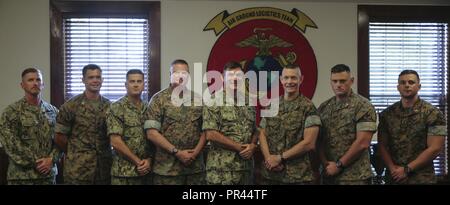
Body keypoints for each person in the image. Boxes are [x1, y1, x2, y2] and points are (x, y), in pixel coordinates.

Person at [378, 70, 446, 184]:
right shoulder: (387, 114)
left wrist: (407, 169)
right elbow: (382, 145)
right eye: (403, 83)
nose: (407, 85)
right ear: (398, 87)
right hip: (394, 177)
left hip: (421, 177)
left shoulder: (433, 113)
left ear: (419, 86)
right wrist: (392, 169)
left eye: (411, 82)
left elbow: (435, 148)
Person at [145, 59, 206, 185]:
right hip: (167, 171)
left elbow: (207, 130)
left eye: (184, 73)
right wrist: (177, 152)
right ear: (170, 75)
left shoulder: (198, 99)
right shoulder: (158, 100)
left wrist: (195, 153)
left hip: (194, 169)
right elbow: (151, 133)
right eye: (176, 73)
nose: (180, 77)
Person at [258, 64, 321, 185]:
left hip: (297, 177)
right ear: (281, 80)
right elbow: (261, 133)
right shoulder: (272, 105)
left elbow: (309, 143)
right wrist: (269, 159)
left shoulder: (308, 108)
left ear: (301, 79)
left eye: (293, 78)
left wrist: (279, 158)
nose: (289, 81)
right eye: (286, 78)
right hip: (270, 175)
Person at [318, 64, 377, 185]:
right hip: (329, 174)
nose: (338, 84)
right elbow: (318, 140)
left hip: (355, 176)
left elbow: (362, 143)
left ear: (351, 81)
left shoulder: (363, 106)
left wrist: (339, 165)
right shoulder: (324, 107)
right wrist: (325, 164)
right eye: (335, 81)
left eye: (342, 81)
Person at [0, 68, 60, 185]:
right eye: (30, 80)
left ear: (43, 84)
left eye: (38, 80)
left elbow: (61, 140)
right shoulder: (11, 112)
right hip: (21, 177)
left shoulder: (53, 111)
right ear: (22, 85)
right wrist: (37, 162)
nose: (35, 83)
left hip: (47, 176)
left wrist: (51, 160)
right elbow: (10, 144)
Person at [202, 61, 258, 185]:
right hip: (222, 172)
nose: (235, 79)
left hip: (246, 171)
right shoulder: (213, 100)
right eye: (230, 75)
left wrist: (253, 145)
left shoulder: (248, 102)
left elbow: (254, 130)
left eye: (238, 75)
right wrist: (239, 147)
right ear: (223, 77)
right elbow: (210, 134)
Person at [55, 64, 112, 185]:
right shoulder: (70, 106)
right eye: (91, 77)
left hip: (104, 169)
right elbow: (60, 137)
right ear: (83, 80)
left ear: (102, 80)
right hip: (78, 170)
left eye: (98, 77)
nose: (95, 80)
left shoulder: (110, 106)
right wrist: (75, 152)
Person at [106, 69, 152, 185]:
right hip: (124, 173)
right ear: (126, 85)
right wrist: (138, 162)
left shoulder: (150, 108)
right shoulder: (116, 108)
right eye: (132, 81)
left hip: (147, 171)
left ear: (143, 84)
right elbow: (115, 142)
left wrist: (149, 161)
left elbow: (154, 137)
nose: (136, 84)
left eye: (139, 81)